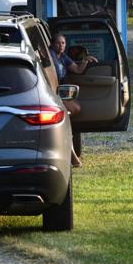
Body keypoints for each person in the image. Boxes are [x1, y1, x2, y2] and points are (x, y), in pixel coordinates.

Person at [49, 33, 94, 168]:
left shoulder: (63, 57)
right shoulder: (49, 56)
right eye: (58, 43)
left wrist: (85, 60)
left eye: (63, 43)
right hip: (52, 94)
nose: (61, 46)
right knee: (72, 111)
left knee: (75, 108)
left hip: (61, 92)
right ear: (52, 44)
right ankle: (72, 155)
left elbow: (78, 70)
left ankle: (70, 146)